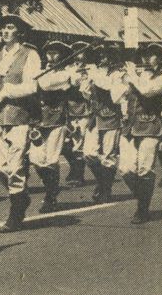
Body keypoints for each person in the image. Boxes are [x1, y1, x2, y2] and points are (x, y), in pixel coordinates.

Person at [0, 14, 41, 232]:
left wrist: (9, 91)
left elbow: (31, 87)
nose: (5, 31)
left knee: (16, 166)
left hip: (20, 116)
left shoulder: (30, 54)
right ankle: (21, 197)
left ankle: (16, 211)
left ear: (18, 31)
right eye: (2, 28)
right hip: (0, 117)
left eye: (10, 27)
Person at [120, 42, 162, 224]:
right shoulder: (136, 75)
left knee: (144, 169)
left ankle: (142, 209)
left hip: (150, 126)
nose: (146, 58)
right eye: (145, 55)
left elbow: (147, 91)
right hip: (131, 127)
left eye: (152, 55)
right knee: (125, 169)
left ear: (161, 58)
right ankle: (142, 195)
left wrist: (133, 75)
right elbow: (117, 96)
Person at [30, 40, 74, 213]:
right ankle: (51, 189)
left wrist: (36, 77)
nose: (51, 57)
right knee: (36, 160)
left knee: (51, 160)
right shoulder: (42, 71)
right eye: (49, 53)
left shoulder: (66, 74)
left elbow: (46, 84)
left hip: (57, 119)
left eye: (56, 53)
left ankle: (50, 196)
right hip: (39, 121)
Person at [83, 42, 125, 203]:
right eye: (100, 56)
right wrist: (86, 81)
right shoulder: (95, 72)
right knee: (89, 154)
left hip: (112, 116)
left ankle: (106, 189)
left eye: (105, 55)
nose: (102, 58)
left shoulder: (118, 74)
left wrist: (94, 75)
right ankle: (102, 182)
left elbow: (109, 88)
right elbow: (87, 95)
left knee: (108, 155)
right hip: (95, 116)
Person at [62, 42, 91, 187]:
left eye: (81, 51)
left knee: (79, 142)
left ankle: (78, 174)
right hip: (68, 108)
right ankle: (74, 167)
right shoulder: (67, 68)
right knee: (66, 143)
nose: (78, 54)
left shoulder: (91, 69)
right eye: (75, 51)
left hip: (84, 109)